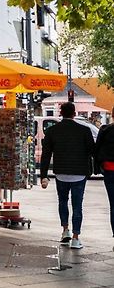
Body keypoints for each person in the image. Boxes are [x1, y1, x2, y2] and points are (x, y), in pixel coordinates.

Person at [40, 101, 95, 249]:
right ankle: (76, 238)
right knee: (77, 206)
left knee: (62, 202)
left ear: (61, 113)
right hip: (79, 174)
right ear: (74, 114)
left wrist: (43, 175)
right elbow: (92, 151)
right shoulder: (84, 130)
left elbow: (46, 155)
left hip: (61, 174)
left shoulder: (52, 131)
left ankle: (65, 230)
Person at [94, 109, 114, 247]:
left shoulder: (105, 130)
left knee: (113, 205)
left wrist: (97, 168)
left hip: (110, 169)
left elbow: (97, 150)